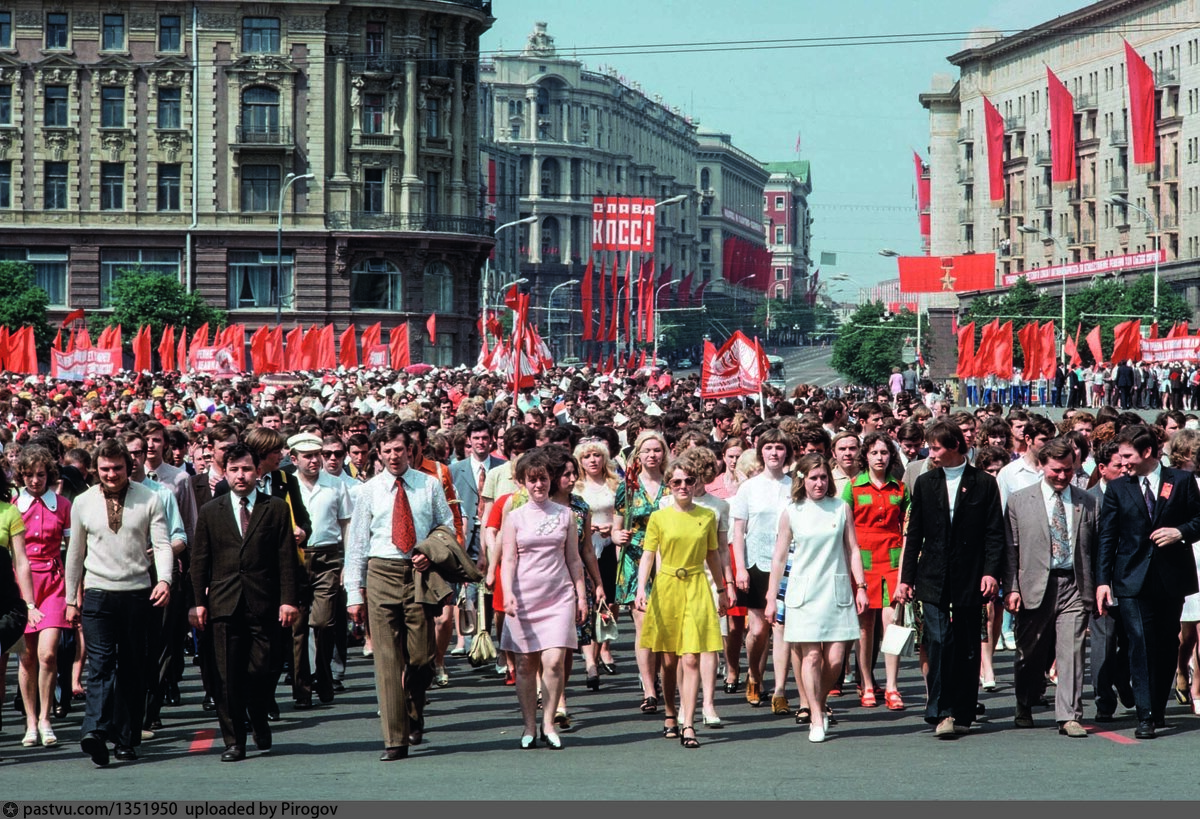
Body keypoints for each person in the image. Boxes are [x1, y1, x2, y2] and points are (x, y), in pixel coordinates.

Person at [344, 422, 455, 761]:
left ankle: (413, 706)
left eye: (399, 450)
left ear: (411, 451)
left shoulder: (429, 485)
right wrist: (354, 592)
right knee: (388, 662)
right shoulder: (369, 491)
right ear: (379, 455)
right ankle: (395, 739)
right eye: (387, 451)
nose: (393, 456)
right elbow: (358, 542)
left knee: (421, 658)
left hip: (418, 574)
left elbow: (446, 526)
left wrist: (429, 552)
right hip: (381, 572)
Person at [188, 443, 300, 762]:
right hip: (224, 605)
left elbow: (286, 558)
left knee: (264, 668)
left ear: (258, 472)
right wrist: (197, 603)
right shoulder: (212, 510)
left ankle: (259, 712)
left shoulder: (275, 508)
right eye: (234, 469)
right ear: (225, 473)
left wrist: (288, 600)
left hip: (264, 602)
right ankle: (234, 740)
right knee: (226, 676)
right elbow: (200, 561)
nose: (241, 475)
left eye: (247, 469)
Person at [65, 438, 173, 767]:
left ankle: (126, 739)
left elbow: (163, 544)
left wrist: (165, 579)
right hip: (98, 593)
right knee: (99, 665)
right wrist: (71, 598)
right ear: (96, 470)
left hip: (137, 593)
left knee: (132, 667)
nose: (111, 474)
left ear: (129, 467)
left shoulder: (150, 498)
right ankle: (95, 731)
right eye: (105, 469)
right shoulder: (82, 502)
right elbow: (75, 553)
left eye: (117, 468)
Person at [896, 421, 1004, 739]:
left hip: (971, 576)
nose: (933, 452)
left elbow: (994, 533)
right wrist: (906, 579)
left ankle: (964, 709)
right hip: (932, 575)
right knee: (940, 640)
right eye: (931, 446)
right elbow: (914, 534)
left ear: (956, 445)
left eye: (939, 446)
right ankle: (941, 710)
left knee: (968, 644)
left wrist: (990, 572)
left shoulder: (983, 483)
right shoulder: (926, 483)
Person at [1096, 424, 1200, 739]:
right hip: (1130, 578)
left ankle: (1156, 707)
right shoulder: (1118, 488)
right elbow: (1107, 537)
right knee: (1139, 640)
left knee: (1168, 642)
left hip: (1171, 577)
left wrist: (1180, 532)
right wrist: (1103, 581)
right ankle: (1144, 716)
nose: (1123, 461)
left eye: (1128, 455)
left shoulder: (1181, 481)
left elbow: (1199, 519)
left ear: (1147, 452)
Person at [765, 454, 868, 743]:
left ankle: (817, 702)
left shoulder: (841, 508)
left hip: (836, 591)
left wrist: (860, 586)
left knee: (835, 659)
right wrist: (772, 597)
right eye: (813, 478)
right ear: (802, 480)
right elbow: (779, 557)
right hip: (804, 592)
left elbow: (853, 549)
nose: (819, 483)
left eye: (823, 477)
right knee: (810, 656)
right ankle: (815, 716)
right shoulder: (791, 511)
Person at [1004, 438, 1097, 738]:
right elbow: (1011, 549)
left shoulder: (1087, 501)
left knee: (1072, 652)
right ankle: (1025, 701)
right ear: (1042, 466)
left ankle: (1069, 715)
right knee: (1030, 652)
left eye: (1068, 470)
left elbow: (1095, 549)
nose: (1062, 476)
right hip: (1033, 585)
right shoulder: (1019, 500)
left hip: (1073, 583)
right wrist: (1012, 588)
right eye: (1056, 470)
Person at [635, 456, 730, 749]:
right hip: (665, 587)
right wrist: (641, 589)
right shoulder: (659, 517)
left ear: (697, 482)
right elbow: (649, 554)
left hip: (697, 585)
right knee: (668, 659)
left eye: (689, 480)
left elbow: (713, 554)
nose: (683, 486)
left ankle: (689, 723)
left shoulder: (707, 515)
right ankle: (670, 713)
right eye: (676, 481)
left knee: (691, 657)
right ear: (669, 484)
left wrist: (723, 589)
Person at [499, 449, 587, 750]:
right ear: (523, 482)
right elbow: (507, 560)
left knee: (554, 661)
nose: (539, 485)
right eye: (532, 480)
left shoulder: (566, 515)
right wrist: (508, 593)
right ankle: (528, 726)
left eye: (544, 479)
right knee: (525, 664)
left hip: (559, 596)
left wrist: (581, 595)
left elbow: (574, 559)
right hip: (523, 597)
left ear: (551, 481)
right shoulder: (514, 518)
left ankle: (549, 723)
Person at [842, 432, 909, 711]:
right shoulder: (853, 487)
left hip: (893, 562)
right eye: (874, 453)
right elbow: (846, 535)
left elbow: (908, 531)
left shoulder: (901, 489)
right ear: (865, 456)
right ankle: (867, 683)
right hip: (864, 564)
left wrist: (905, 575)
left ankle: (892, 686)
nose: (879, 458)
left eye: (884, 452)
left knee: (892, 625)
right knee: (865, 627)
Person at [730, 428, 794, 711]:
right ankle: (754, 674)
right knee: (757, 631)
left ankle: (779, 690)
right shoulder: (749, 487)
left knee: (780, 628)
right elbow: (739, 530)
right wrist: (740, 569)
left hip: (787, 564)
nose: (774, 453)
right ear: (761, 452)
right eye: (769, 448)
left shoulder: (794, 486)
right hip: (755, 564)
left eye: (780, 448)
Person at [288, 432, 353, 707]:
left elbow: (346, 525)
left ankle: (324, 677)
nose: (315, 461)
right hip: (296, 559)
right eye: (308, 456)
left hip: (328, 558)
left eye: (318, 455)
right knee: (298, 628)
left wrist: (348, 565)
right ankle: (302, 688)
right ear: (294, 459)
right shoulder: (286, 485)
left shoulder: (336, 485)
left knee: (324, 622)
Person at [612, 430, 669, 714]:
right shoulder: (628, 487)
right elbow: (616, 523)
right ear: (638, 454)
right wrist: (615, 535)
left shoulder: (673, 485)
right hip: (636, 560)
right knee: (644, 625)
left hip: (668, 560)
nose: (652, 455)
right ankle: (649, 688)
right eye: (646, 450)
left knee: (664, 626)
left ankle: (662, 678)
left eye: (657, 450)